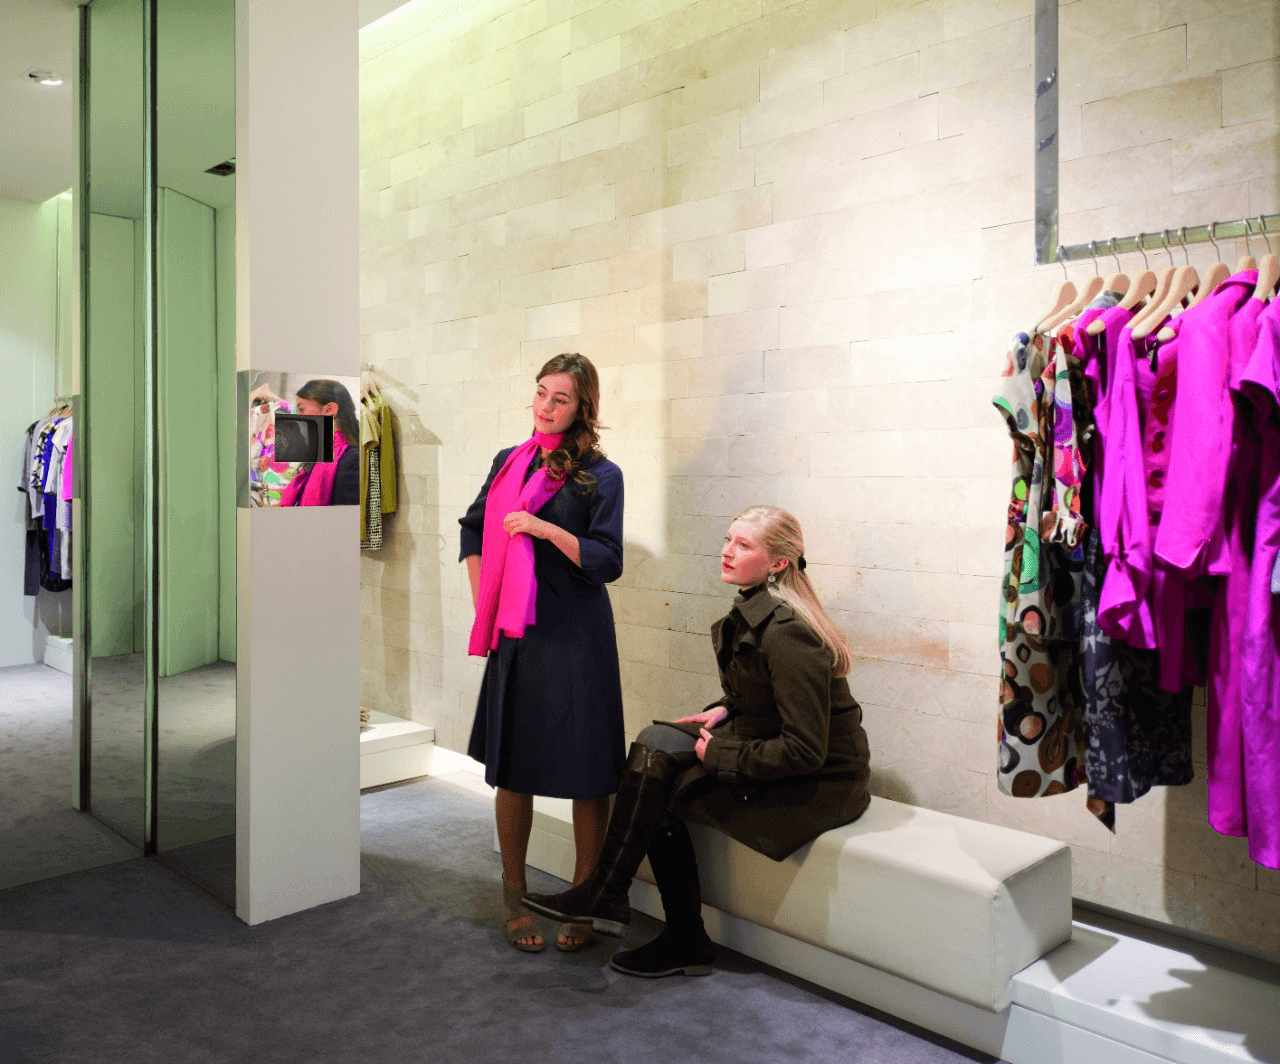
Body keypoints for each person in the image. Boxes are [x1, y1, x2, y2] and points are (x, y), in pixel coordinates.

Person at [524, 505, 871, 977]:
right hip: (768, 742)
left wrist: (721, 752)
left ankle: (659, 923)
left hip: (822, 783)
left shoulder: (789, 633)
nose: (727, 551)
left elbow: (806, 750)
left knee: (660, 788)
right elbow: (767, 691)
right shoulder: (757, 610)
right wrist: (727, 707)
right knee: (654, 744)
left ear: (778, 563)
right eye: (728, 539)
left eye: (743, 545)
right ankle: (612, 896)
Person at [459, 353, 625, 953]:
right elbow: (473, 527)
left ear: (583, 408)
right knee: (514, 766)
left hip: (577, 633)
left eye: (561, 398)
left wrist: (544, 528)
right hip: (518, 631)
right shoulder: (510, 460)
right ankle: (515, 897)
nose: (546, 406)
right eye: (540, 393)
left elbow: (608, 560)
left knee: (588, 773)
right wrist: (486, 602)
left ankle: (584, 901)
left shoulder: (601, 475)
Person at [251, 379, 360, 506]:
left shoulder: (352, 461)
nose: (298, 418)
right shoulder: (320, 456)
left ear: (329, 409)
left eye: (301, 410)